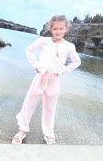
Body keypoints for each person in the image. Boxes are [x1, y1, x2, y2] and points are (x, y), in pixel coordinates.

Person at [12, 14, 80, 145]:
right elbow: (29, 50)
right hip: (40, 76)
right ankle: (22, 130)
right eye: (55, 29)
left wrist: (63, 70)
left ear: (66, 29)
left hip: (54, 79)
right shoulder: (43, 41)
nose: (58, 32)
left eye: (61, 29)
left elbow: (76, 61)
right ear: (51, 29)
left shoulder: (69, 46)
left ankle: (48, 134)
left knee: (50, 107)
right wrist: (36, 65)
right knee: (29, 102)